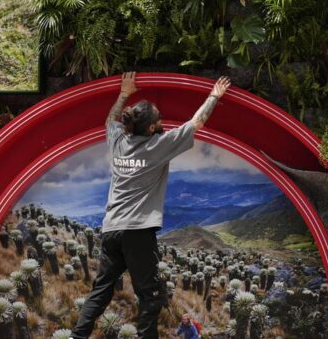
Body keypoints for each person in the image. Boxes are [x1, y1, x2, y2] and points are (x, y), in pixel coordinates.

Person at [71, 72, 231, 339]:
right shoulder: (158, 146)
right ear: (150, 129)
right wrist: (214, 95)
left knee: (100, 291)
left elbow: (109, 120)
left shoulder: (119, 143)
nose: (161, 123)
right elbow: (196, 123)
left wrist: (124, 93)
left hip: (111, 230)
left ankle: (78, 336)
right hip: (137, 232)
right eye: (158, 121)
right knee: (150, 296)